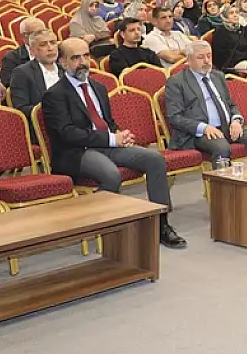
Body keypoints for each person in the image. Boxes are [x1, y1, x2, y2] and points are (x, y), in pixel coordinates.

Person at [42, 38, 186, 249]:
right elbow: (67, 134)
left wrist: (120, 134)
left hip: (106, 144)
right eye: (75, 58)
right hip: (76, 152)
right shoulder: (54, 95)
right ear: (62, 62)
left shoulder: (99, 87)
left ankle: (161, 223)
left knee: (154, 159)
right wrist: (111, 138)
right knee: (111, 174)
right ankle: (102, 226)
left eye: (86, 56)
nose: (83, 62)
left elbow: (106, 121)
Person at [164, 41, 247, 213]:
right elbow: (175, 117)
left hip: (227, 126)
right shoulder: (176, 82)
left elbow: (231, 104)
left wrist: (236, 120)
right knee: (222, 148)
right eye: (201, 57)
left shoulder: (217, 76)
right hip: (198, 133)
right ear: (188, 60)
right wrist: (203, 127)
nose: (207, 61)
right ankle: (227, 203)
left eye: (209, 56)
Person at [10, 29, 62, 129]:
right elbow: (21, 108)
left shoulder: (66, 69)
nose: (50, 48)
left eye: (53, 43)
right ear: (32, 51)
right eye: (43, 45)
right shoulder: (22, 73)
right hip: (43, 127)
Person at [212, 4, 247, 79]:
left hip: (245, 60)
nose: (235, 15)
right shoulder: (220, 32)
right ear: (224, 16)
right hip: (231, 64)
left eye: (237, 12)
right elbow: (223, 55)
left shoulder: (242, 29)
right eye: (231, 13)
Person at [0, 18, 45, 86]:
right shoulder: (11, 58)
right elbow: (8, 82)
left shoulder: (55, 51)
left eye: (44, 32)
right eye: (37, 33)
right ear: (24, 36)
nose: (43, 36)